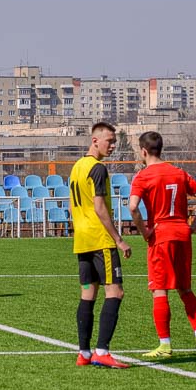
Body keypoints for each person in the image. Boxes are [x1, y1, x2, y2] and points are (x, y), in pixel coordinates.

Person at [128, 131, 196, 358]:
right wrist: (194, 224)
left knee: (159, 290)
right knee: (185, 288)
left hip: (161, 235)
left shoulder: (143, 177)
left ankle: (165, 345)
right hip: (182, 234)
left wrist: (144, 231)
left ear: (143, 151)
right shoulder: (178, 172)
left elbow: (133, 207)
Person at [69, 122, 132, 369]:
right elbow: (99, 206)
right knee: (115, 292)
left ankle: (84, 353)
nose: (113, 145)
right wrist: (118, 239)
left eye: (114, 141)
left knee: (88, 293)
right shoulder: (97, 169)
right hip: (100, 240)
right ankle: (102, 351)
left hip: (82, 240)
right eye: (109, 141)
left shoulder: (76, 168)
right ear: (95, 140)